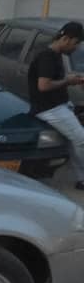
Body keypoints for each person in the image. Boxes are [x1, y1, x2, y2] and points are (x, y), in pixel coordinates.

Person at [28, 21, 84, 188]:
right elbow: (43, 86)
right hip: (49, 109)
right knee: (81, 139)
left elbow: (56, 78)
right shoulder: (47, 56)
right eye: (76, 43)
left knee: (75, 141)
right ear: (66, 39)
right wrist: (68, 81)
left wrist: (76, 78)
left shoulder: (56, 55)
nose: (76, 48)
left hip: (59, 105)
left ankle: (82, 178)